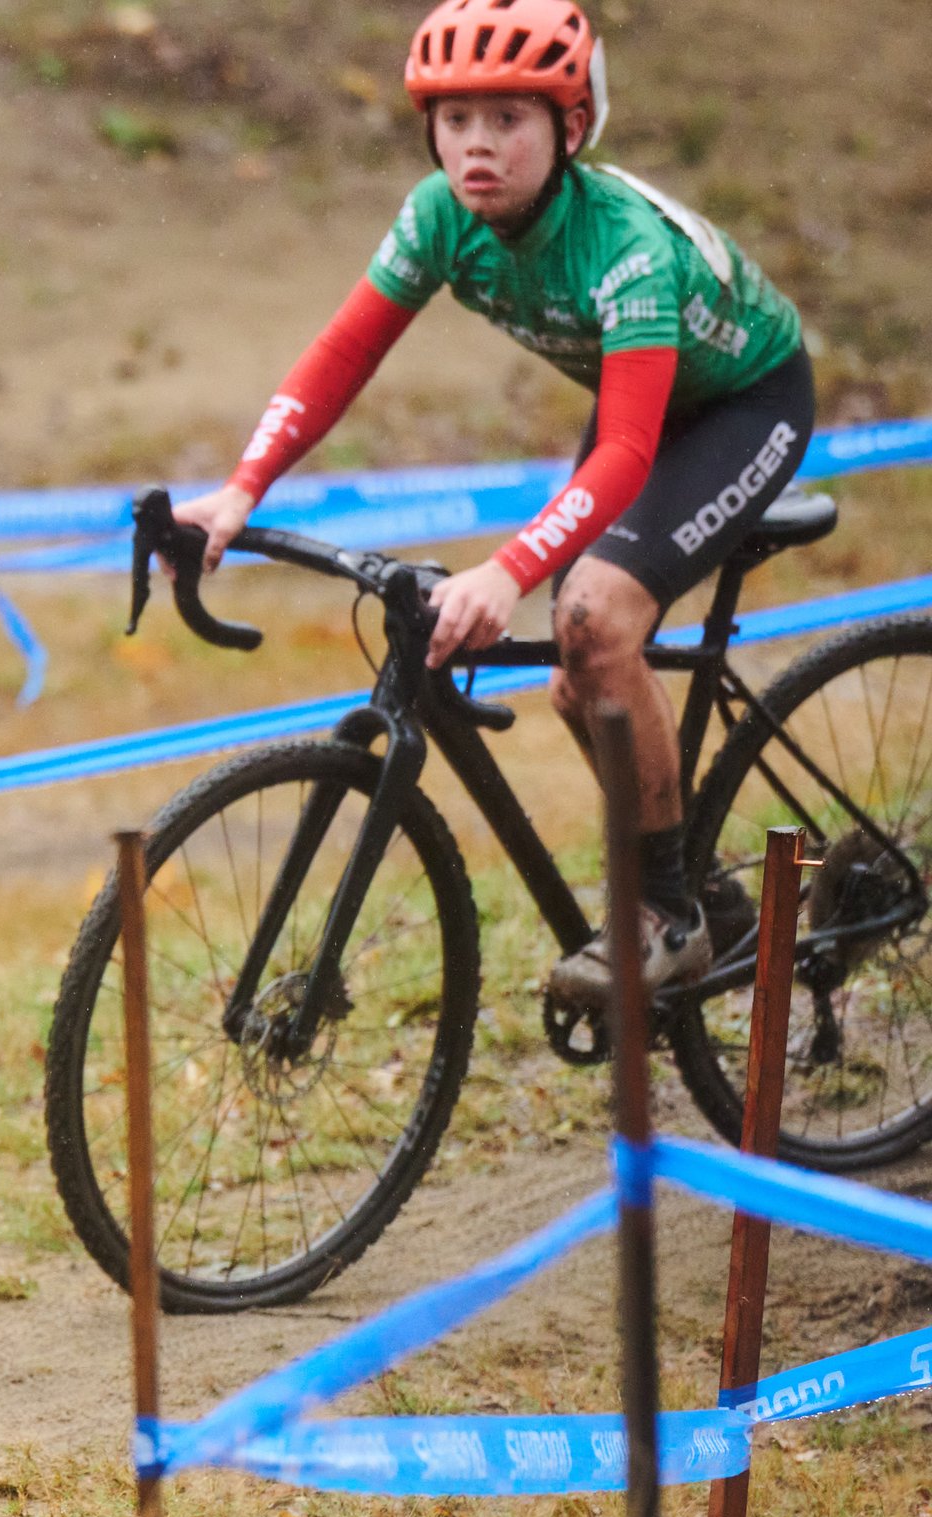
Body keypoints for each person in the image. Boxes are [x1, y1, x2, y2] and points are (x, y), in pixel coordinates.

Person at [173, 0, 811, 1010]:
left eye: (508, 119)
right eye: (455, 118)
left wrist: (507, 570)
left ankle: (668, 915)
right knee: (575, 680)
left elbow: (626, 451)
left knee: (594, 621)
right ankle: (710, 892)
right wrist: (241, 487)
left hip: (742, 402)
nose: (476, 145)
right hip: (640, 399)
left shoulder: (623, 246)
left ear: (569, 128)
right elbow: (344, 351)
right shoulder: (438, 215)